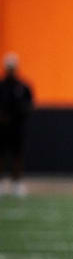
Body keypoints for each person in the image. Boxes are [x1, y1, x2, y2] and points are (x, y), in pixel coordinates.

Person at [0, 53, 33, 197]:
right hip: (1, 128)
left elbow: (29, 105)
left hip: (17, 127)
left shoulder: (23, 87)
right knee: (1, 155)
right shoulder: (1, 87)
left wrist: (18, 115)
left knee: (17, 156)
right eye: (9, 68)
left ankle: (17, 183)